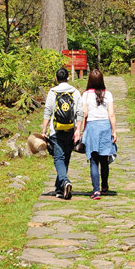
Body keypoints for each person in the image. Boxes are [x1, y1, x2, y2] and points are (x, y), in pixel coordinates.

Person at [41, 66, 83, 199]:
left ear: (56, 78)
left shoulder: (52, 92)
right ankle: (60, 189)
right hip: (70, 129)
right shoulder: (75, 92)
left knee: (58, 158)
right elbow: (80, 112)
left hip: (55, 131)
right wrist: (78, 130)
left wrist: (43, 131)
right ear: (68, 78)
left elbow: (48, 112)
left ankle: (64, 181)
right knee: (66, 158)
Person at [81, 68, 117, 200]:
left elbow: (84, 113)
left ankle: (96, 191)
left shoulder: (85, 95)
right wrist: (114, 131)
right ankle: (105, 186)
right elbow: (111, 114)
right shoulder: (108, 94)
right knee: (104, 159)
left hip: (92, 127)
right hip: (105, 127)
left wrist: (79, 129)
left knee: (93, 160)